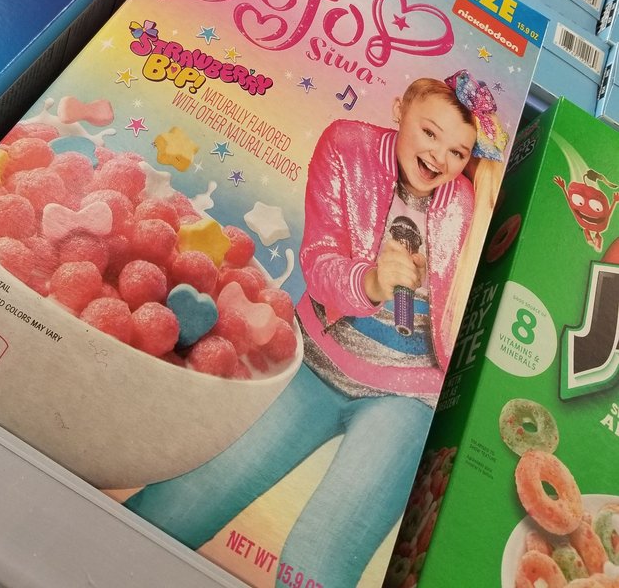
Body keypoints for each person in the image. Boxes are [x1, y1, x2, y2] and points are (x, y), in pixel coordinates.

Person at [124, 69, 508, 587]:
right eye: (429, 132)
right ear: (400, 110)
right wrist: (371, 280)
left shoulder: (463, 203)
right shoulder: (347, 146)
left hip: (408, 394)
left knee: (319, 552)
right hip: (314, 359)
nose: (439, 158)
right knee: (187, 500)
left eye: (458, 152)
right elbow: (320, 258)